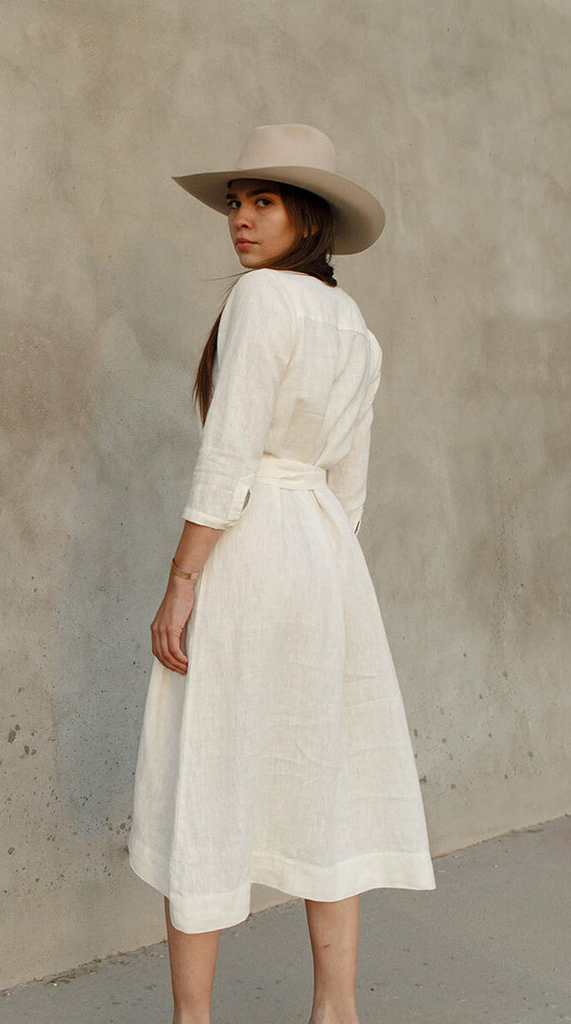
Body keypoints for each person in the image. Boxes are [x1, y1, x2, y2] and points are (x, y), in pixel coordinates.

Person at [129, 124, 434, 1024]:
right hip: (327, 557)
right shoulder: (356, 328)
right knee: (321, 774)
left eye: (261, 201)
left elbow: (229, 453)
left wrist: (183, 578)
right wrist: (324, 563)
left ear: (310, 217)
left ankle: (193, 1019)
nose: (240, 220)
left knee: (208, 769)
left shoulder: (262, 299)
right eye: (235, 203)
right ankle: (334, 1011)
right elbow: (354, 487)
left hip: (252, 546)